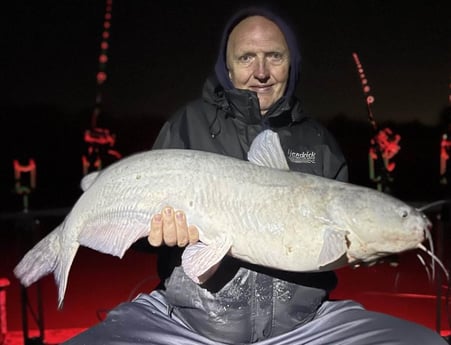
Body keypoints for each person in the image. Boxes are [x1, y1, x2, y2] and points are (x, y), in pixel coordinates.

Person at [63, 6, 448, 345]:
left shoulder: (319, 142)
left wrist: (372, 245)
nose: (260, 72)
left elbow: (342, 246)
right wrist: (155, 235)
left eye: (274, 56)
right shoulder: (187, 124)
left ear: (291, 63)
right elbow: (139, 222)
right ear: (227, 66)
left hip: (305, 328)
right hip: (187, 325)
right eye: (247, 57)